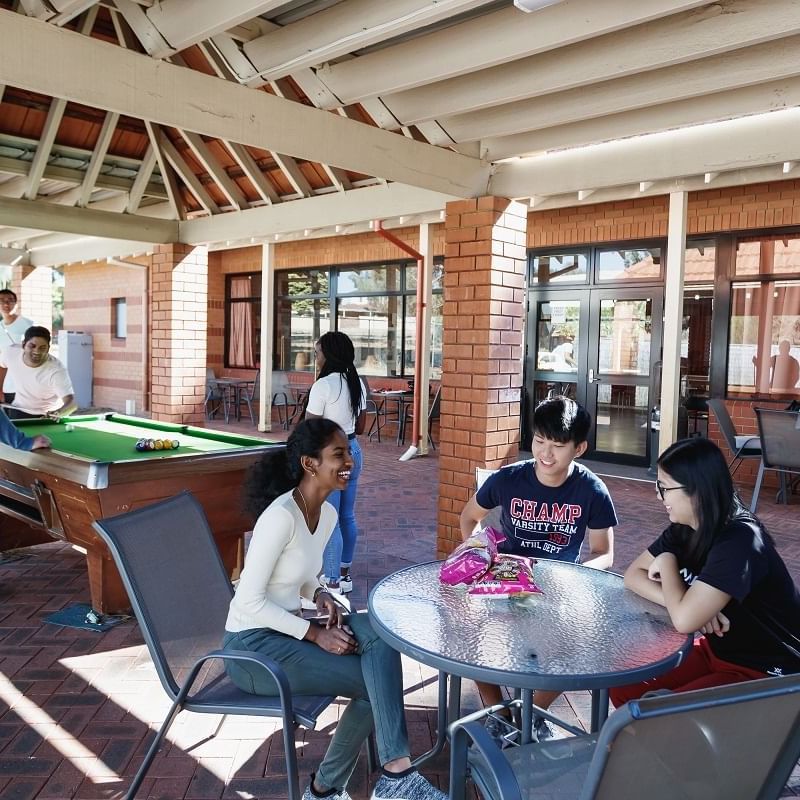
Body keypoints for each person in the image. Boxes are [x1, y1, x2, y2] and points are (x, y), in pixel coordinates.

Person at [222, 419, 446, 800]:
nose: (350, 461)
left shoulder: (324, 515)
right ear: (310, 464)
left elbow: (298, 575)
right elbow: (249, 600)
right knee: (375, 685)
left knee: (380, 630)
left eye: (348, 452)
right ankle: (378, 779)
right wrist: (315, 634)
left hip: (284, 632)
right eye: (338, 454)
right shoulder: (280, 517)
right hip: (251, 650)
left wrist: (320, 594)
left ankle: (346, 785)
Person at [459, 396, 617, 741]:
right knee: (468, 627)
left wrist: (568, 579)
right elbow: (469, 517)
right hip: (504, 582)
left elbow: (604, 553)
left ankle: (527, 715)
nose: (546, 454)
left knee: (579, 641)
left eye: (558, 445)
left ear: (580, 448)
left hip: (556, 590)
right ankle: (499, 713)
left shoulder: (592, 490)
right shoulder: (509, 479)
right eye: (539, 441)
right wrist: (478, 555)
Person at [610, 437, 800, 706]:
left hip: (765, 671)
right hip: (719, 651)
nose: (658, 496)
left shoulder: (740, 541)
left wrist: (666, 563)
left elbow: (684, 621)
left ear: (696, 490)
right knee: (624, 687)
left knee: (658, 716)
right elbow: (633, 575)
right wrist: (687, 603)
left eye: (664, 488)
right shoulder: (684, 527)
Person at [305, 331, 367, 594]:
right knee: (346, 516)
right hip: (353, 450)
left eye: (317, 353)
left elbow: (310, 427)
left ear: (327, 355)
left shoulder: (323, 386)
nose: (316, 358)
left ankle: (332, 582)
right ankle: (344, 575)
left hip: (329, 456)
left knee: (329, 518)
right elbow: (361, 427)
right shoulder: (358, 384)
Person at [0, 326, 77, 420]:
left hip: (47, 416)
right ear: (23, 345)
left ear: (48, 348)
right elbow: (2, 366)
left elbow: (71, 403)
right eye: (32, 346)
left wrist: (60, 412)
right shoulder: (11, 352)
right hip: (18, 409)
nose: (37, 351)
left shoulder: (56, 370)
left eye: (42, 348)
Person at [0, 288, 35, 404]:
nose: (6, 303)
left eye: (10, 300)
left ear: (16, 304)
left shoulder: (28, 324)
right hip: (8, 386)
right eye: (1, 300)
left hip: (27, 385)